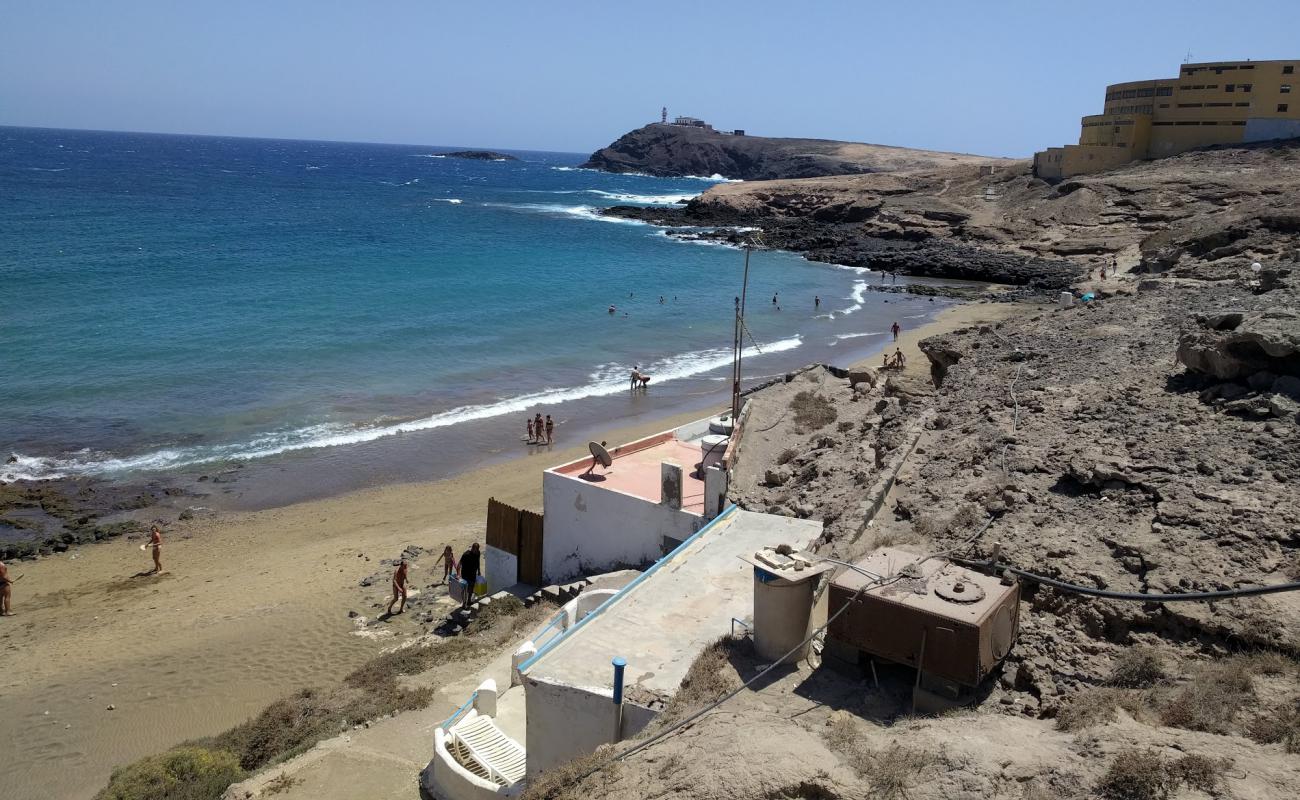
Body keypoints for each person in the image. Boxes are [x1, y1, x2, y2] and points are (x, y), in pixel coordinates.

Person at [458, 543, 481, 610]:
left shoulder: (478, 553)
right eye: (475, 549)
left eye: (477, 550)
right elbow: (459, 565)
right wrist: (458, 574)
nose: (476, 551)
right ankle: (464, 603)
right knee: (465, 589)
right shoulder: (466, 555)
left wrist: (479, 570)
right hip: (465, 574)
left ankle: (469, 601)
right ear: (472, 548)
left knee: (471, 588)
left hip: (473, 574)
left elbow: (478, 561)